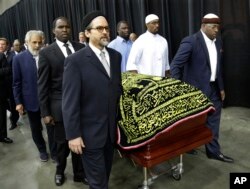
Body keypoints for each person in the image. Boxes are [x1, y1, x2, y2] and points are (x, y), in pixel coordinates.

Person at [62, 11, 122, 189]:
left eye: (107, 28)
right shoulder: (75, 61)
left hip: (110, 133)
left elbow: (116, 89)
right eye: (100, 28)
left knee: (104, 176)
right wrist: (73, 135)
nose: (105, 32)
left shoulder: (116, 56)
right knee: (98, 183)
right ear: (87, 33)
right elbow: (69, 102)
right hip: (89, 135)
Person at [170, 13, 234, 163]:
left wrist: (222, 88)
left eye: (218, 27)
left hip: (214, 89)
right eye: (213, 27)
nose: (216, 30)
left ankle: (213, 151)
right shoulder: (191, 41)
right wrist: (179, 90)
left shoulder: (218, 42)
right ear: (203, 26)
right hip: (195, 91)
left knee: (214, 120)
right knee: (192, 122)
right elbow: (175, 65)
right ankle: (188, 146)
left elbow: (218, 68)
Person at [37, 17, 87, 186]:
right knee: (62, 145)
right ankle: (60, 171)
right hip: (59, 107)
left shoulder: (80, 48)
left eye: (67, 26)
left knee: (80, 142)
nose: (65, 30)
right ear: (54, 31)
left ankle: (80, 173)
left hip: (81, 106)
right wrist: (45, 112)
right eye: (61, 27)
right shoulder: (46, 53)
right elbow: (42, 85)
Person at [12, 30, 56, 161]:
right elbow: (16, 83)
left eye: (40, 42)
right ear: (26, 42)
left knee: (52, 129)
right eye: (34, 42)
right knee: (36, 129)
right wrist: (18, 102)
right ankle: (42, 150)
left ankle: (54, 153)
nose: (37, 45)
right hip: (31, 101)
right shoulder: (18, 59)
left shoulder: (47, 55)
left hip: (49, 100)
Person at [0, 37, 19, 130]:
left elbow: (13, 70)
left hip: (11, 84)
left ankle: (14, 121)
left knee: (13, 103)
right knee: (6, 105)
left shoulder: (13, 56)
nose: (1, 46)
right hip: (2, 87)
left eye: (3, 44)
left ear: (7, 46)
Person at [0, 52, 13, 143]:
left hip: (0, 93)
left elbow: (8, 69)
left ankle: (2, 136)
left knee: (1, 115)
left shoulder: (1, 55)